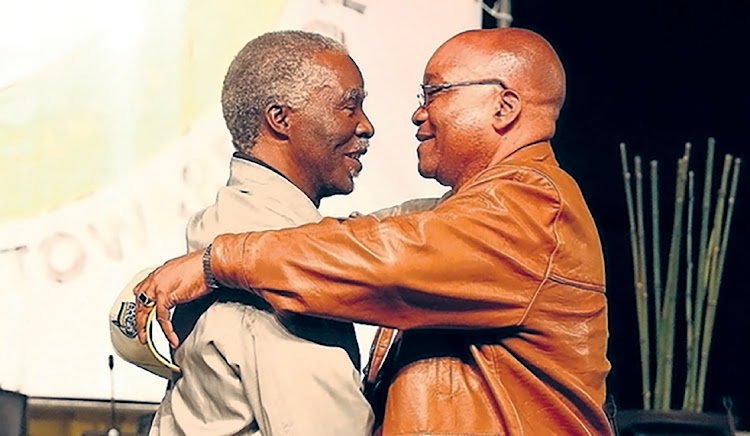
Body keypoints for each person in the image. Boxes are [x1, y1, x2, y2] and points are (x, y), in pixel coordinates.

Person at [135, 27, 613, 435]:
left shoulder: (530, 206)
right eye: (350, 107)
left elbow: (384, 257)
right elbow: (364, 236)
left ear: (504, 106)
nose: (416, 113)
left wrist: (218, 261)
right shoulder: (475, 213)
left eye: (434, 93)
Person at [145, 30, 376, 435]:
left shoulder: (225, 225)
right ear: (280, 118)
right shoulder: (276, 278)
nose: (366, 126)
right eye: (349, 106)